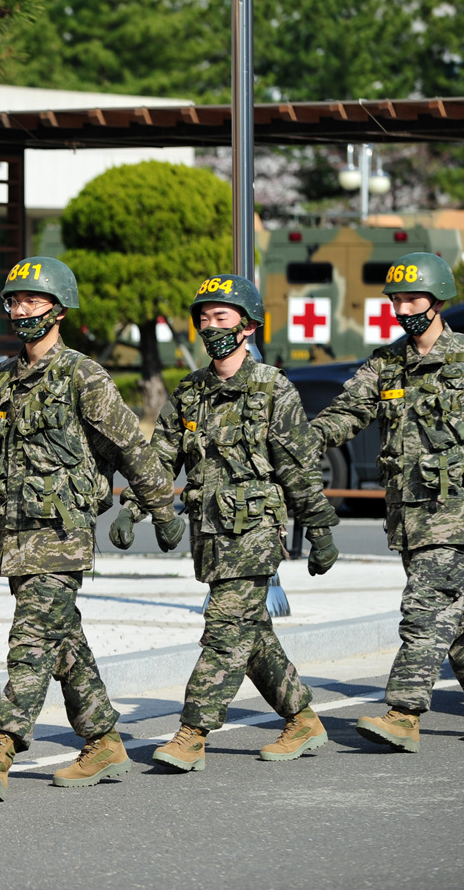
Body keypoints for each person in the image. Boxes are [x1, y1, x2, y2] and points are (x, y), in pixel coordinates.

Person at [0, 256, 177, 801]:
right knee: (62, 642)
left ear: (59, 309)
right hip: (15, 535)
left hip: (63, 532)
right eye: (14, 301)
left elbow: (131, 444)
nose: (21, 310)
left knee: (32, 637)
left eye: (32, 300)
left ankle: (3, 746)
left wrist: (161, 509)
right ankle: (104, 739)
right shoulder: (0, 382)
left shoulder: (84, 375)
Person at [312, 252, 464, 752]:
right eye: (396, 300)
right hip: (406, 509)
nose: (403, 307)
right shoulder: (387, 362)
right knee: (446, 607)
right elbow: (349, 412)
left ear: (436, 299)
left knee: (423, 605)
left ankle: (404, 711)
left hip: (457, 504)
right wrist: (309, 437)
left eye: (412, 298)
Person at [143, 274, 340, 773]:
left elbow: (298, 468)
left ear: (248, 325)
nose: (211, 327)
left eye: (222, 317)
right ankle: (302, 718)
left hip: (254, 533)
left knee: (225, 628)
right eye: (204, 318)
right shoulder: (190, 393)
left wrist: (319, 530)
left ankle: (193, 732)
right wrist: (135, 506)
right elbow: (160, 456)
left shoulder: (274, 389)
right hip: (208, 536)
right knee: (250, 633)